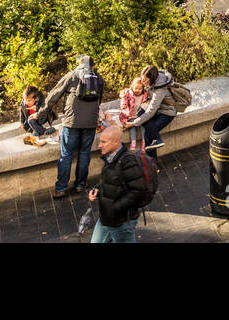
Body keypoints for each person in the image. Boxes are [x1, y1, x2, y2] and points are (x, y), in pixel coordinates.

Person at [43, 54, 103, 198]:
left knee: (66, 154)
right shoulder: (99, 79)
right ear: (93, 66)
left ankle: (61, 188)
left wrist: (40, 114)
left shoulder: (71, 76)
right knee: (84, 153)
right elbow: (99, 100)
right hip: (90, 123)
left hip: (71, 123)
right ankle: (80, 185)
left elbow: (53, 96)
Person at [87, 123, 153, 243]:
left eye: (104, 142)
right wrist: (97, 189)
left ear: (116, 142)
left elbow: (138, 192)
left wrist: (115, 207)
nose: (99, 145)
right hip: (106, 218)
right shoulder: (110, 158)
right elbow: (109, 180)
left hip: (122, 222)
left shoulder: (128, 162)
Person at [125, 66, 180, 149]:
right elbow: (136, 88)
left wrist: (133, 123)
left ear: (152, 79)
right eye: (142, 78)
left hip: (167, 112)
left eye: (145, 79)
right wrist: (126, 92)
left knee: (148, 134)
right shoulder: (150, 81)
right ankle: (152, 157)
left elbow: (151, 111)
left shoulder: (160, 89)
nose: (142, 81)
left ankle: (156, 146)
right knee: (140, 113)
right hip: (158, 109)